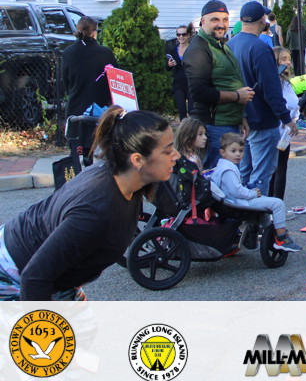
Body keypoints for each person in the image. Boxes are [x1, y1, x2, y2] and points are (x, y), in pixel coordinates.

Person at [0, 106, 178, 300]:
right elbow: (34, 278)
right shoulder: (95, 212)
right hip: (16, 275)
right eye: (167, 150)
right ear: (137, 160)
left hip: (52, 278)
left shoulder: (124, 177)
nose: (176, 155)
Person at [227, 2, 296, 195]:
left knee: (243, 174)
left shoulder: (230, 45)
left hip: (240, 120)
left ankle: (241, 211)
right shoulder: (260, 48)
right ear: (262, 20)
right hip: (262, 120)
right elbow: (270, 88)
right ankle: (258, 213)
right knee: (260, 177)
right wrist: (286, 118)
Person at [185, 0, 255, 169]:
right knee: (216, 176)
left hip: (229, 123)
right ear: (203, 21)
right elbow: (199, 92)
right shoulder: (198, 50)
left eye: (225, 19)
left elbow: (229, 81)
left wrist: (241, 117)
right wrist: (237, 96)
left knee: (228, 175)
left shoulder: (220, 45)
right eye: (215, 19)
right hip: (213, 126)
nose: (221, 24)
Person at [211, 133, 302, 252]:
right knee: (278, 203)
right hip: (238, 202)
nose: (238, 154)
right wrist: (253, 193)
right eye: (233, 151)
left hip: (231, 202)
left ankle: (266, 231)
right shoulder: (229, 170)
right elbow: (236, 191)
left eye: (241, 151)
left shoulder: (221, 165)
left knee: (264, 203)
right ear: (222, 152)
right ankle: (281, 237)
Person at [61, 16, 117, 118]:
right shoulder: (106, 53)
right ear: (94, 33)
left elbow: (66, 81)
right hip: (100, 109)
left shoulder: (68, 52)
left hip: (75, 107)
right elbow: (115, 81)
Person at [271, 47, 299, 199]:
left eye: (289, 59)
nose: (288, 62)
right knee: (272, 171)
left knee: (281, 169)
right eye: (283, 59)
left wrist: (293, 119)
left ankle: (278, 205)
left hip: (286, 134)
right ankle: (269, 206)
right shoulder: (274, 82)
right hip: (275, 132)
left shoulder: (286, 81)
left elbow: (294, 104)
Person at [166, 23, 194, 119]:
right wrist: (169, 65)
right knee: (181, 111)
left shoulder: (194, 50)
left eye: (183, 34)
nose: (181, 37)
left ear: (188, 35)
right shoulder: (173, 51)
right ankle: (183, 128)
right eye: (178, 35)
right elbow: (167, 68)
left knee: (192, 111)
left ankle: (193, 128)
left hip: (191, 84)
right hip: (178, 84)